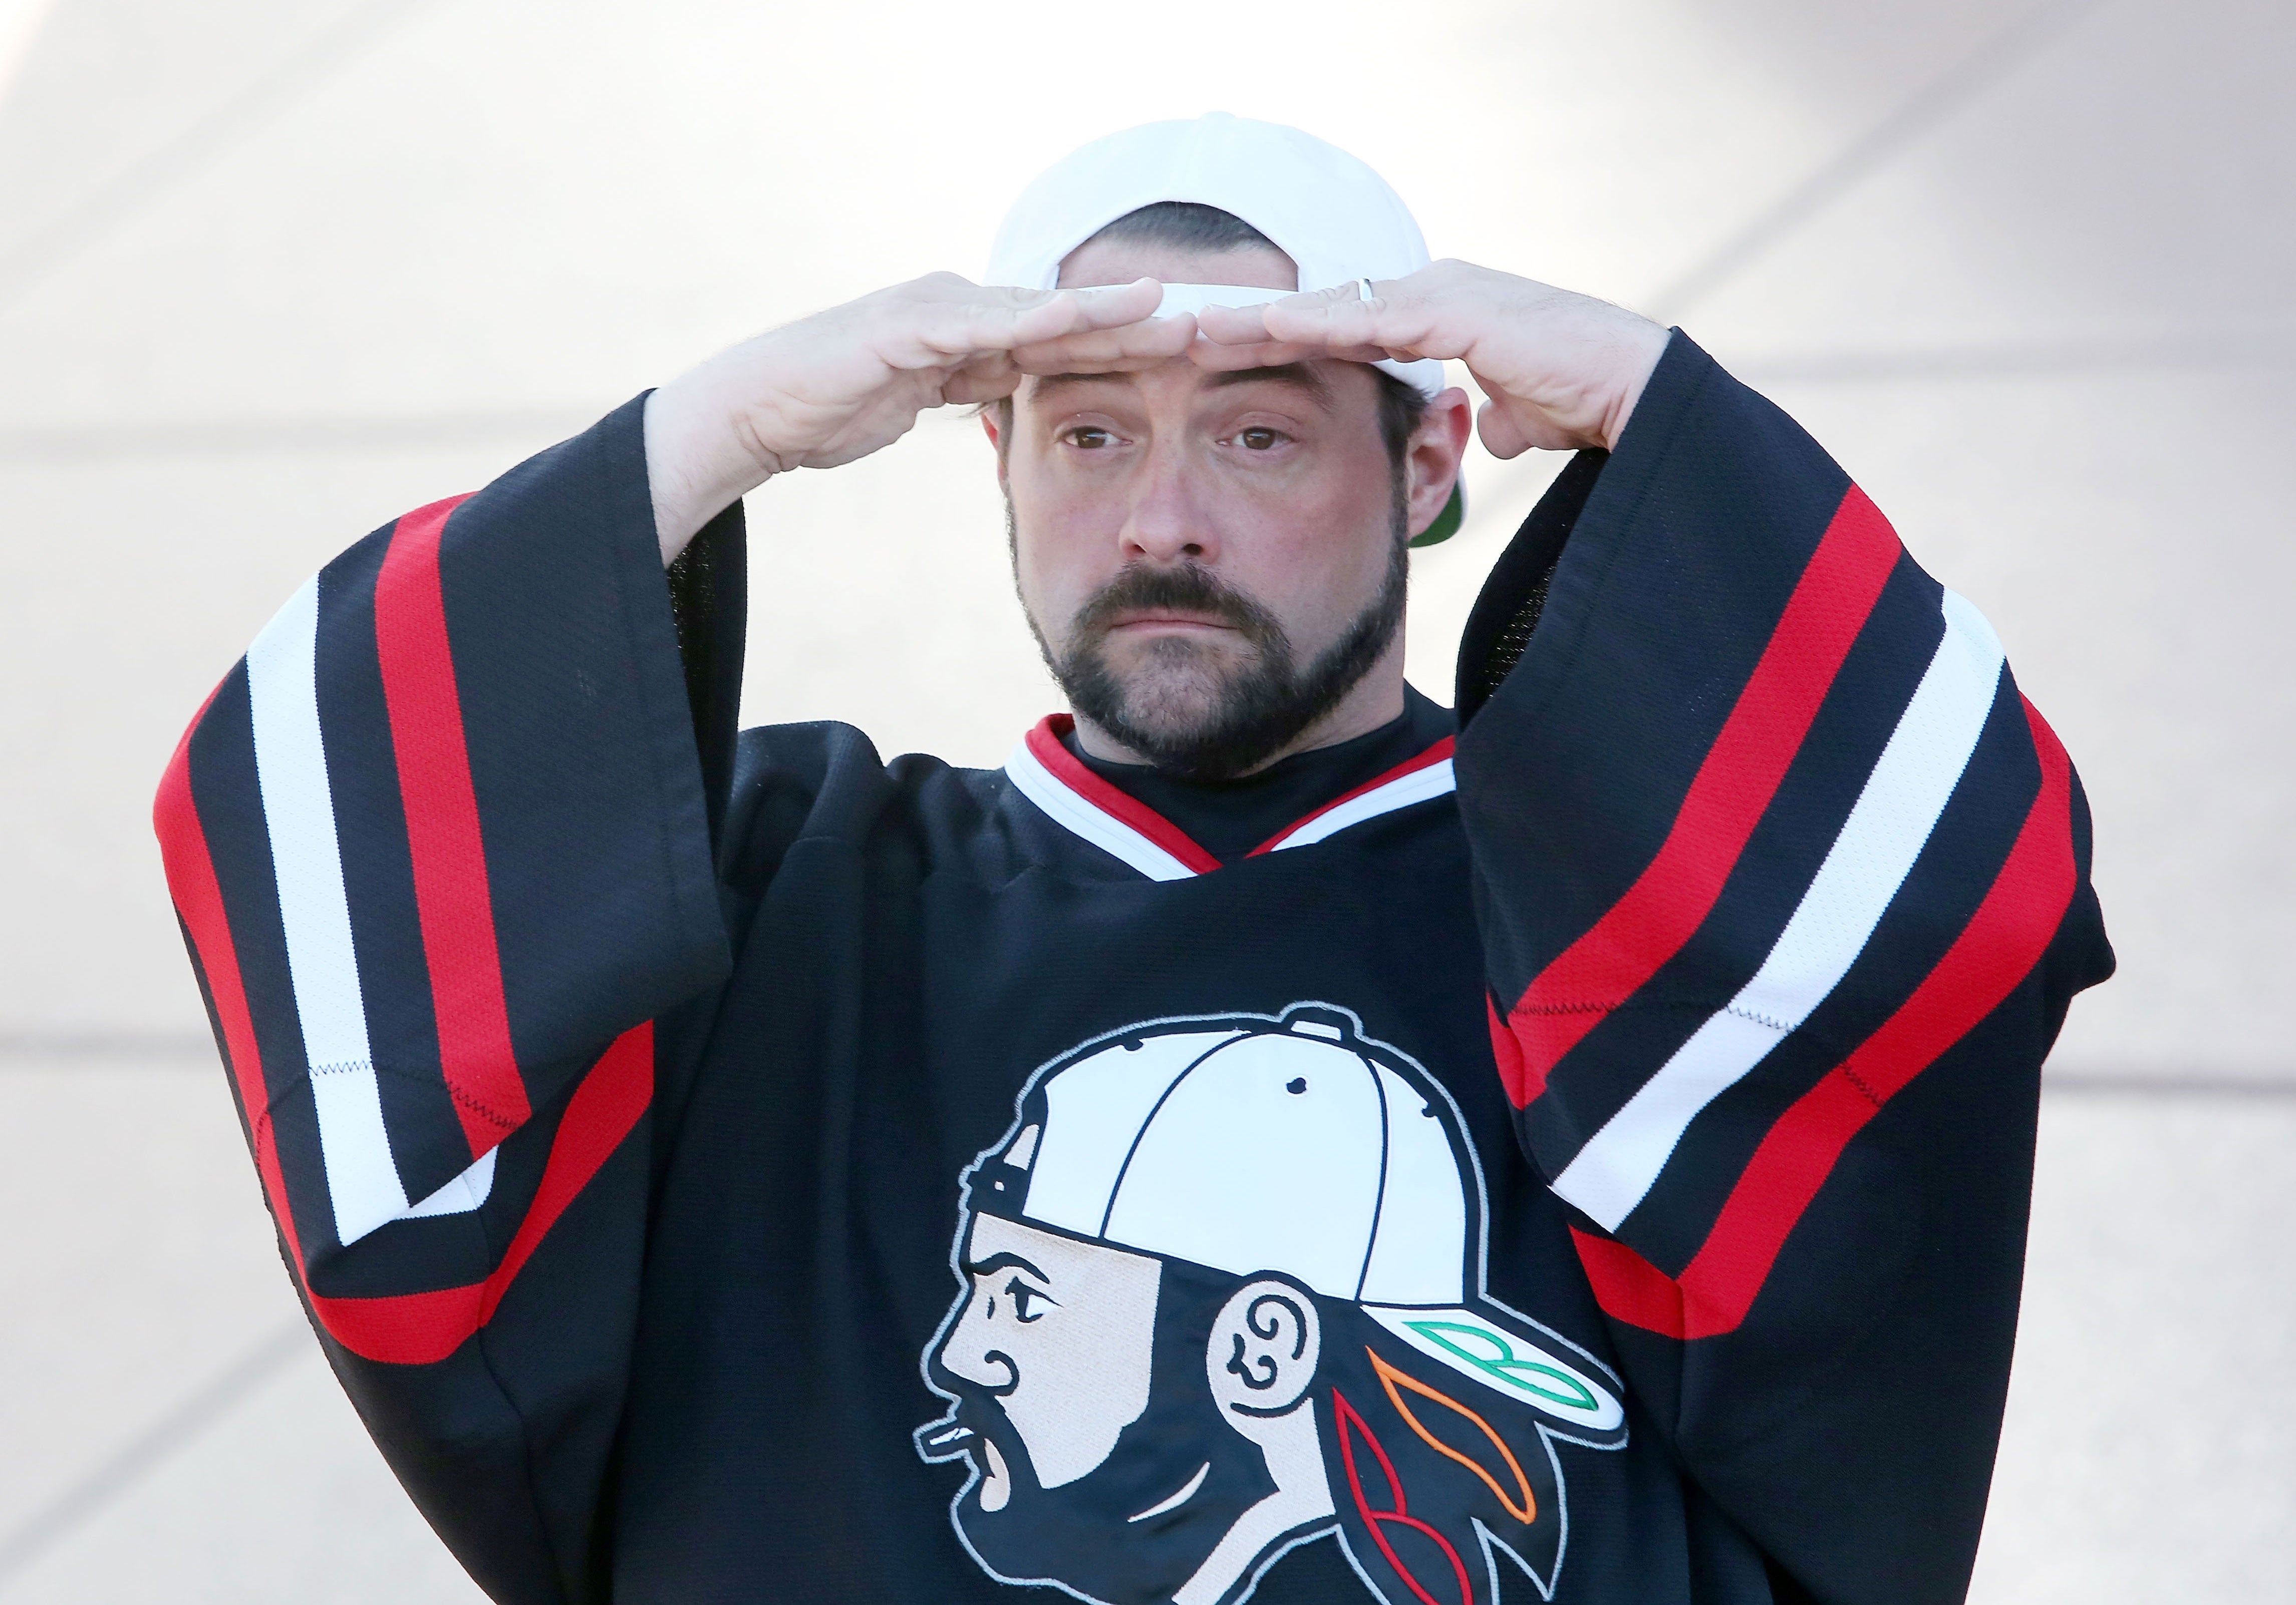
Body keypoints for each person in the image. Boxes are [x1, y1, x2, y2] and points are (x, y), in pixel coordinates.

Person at [153, 113, 2112, 1605]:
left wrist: (1647, 401)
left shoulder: (1612, 895)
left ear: (1429, 463)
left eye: (1259, 439)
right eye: (1086, 436)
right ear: (990, 458)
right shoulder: (787, 896)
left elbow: (1959, 900)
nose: (1161, 518)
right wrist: (722, 424)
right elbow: (319, 883)